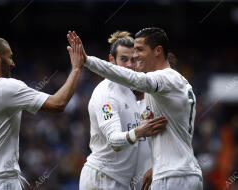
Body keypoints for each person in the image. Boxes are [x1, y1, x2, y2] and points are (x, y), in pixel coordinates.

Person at [67, 28, 203, 190]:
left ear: (158, 51)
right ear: (112, 60)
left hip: (172, 177)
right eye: (125, 58)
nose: (134, 59)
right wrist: (155, 166)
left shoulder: (164, 79)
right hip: (106, 177)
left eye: (139, 50)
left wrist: (88, 61)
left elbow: (135, 80)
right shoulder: (110, 94)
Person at [0, 36, 84, 190]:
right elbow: (58, 103)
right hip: (2, 183)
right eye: (9, 57)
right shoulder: (5, 87)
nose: (13, 63)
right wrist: (76, 69)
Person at [78, 31, 167, 190]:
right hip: (102, 179)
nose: (130, 65)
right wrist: (139, 132)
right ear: (111, 61)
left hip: (123, 182)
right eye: (124, 59)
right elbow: (114, 141)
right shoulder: (106, 94)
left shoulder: (133, 92)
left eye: (133, 59)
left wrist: (157, 165)